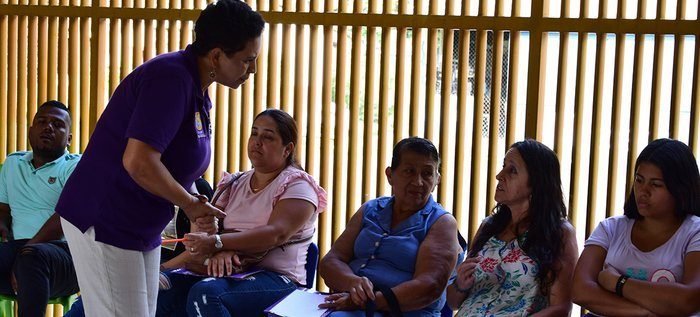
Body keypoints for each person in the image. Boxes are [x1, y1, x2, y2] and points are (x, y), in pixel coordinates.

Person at [54, 1, 265, 315]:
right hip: (106, 216)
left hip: (140, 223)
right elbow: (139, 161)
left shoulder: (197, 89)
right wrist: (190, 204)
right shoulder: (169, 78)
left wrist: (195, 201)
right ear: (217, 55)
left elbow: (178, 163)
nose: (253, 70)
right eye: (247, 60)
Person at [156, 109, 327, 316]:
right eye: (254, 133)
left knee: (207, 294)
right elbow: (208, 235)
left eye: (268, 137)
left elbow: (275, 234)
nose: (257, 141)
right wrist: (213, 242)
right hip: (228, 271)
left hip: (278, 278)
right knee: (163, 290)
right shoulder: (234, 183)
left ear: (287, 149)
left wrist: (221, 244)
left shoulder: (298, 185)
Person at [318, 137, 460, 317]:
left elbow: (429, 286)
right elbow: (331, 261)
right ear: (390, 175)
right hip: (351, 305)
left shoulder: (441, 223)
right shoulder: (371, 209)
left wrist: (368, 302)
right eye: (409, 171)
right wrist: (352, 282)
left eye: (427, 173)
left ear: (437, 179)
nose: (418, 182)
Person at [446, 139, 578, 316]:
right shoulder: (489, 226)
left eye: (512, 170)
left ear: (536, 183)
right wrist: (460, 285)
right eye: (503, 166)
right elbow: (453, 302)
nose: (499, 175)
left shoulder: (558, 232)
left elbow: (560, 309)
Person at [572, 138, 700, 316]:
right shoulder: (611, 228)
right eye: (639, 180)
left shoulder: (695, 232)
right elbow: (580, 290)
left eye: (655, 184)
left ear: (680, 189)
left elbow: (689, 299)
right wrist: (642, 312)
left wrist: (618, 282)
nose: (643, 191)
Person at [0, 100, 80, 317]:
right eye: (42, 122)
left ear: (69, 139)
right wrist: (3, 228)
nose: (48, 127)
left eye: (57, 124)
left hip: (66, 258)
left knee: (31, 257)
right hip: (19, 253)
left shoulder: (76, 167)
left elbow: (68, 216)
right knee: (27, 257)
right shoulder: (12, 163)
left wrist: (27, 252)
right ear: (30, 131)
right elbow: (3, 210)